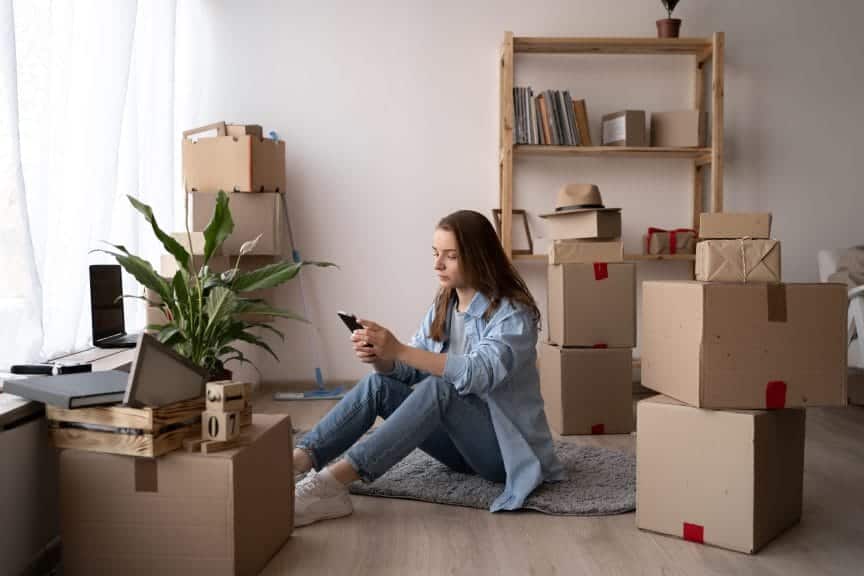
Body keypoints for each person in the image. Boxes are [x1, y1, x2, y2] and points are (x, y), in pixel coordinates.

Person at [292, 210, 564, 527]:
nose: (437, 264)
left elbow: (477, 374)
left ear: (479, 256)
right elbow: (409, 369)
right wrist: (381, 356)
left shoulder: (513, 314)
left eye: (450, 256)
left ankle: (330, 485)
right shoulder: (444, 305)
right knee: (378, 384)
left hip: (506, 454)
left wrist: (400, 349)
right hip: (460, 447)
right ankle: (296, 463)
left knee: (441, 387)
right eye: (436, 254)